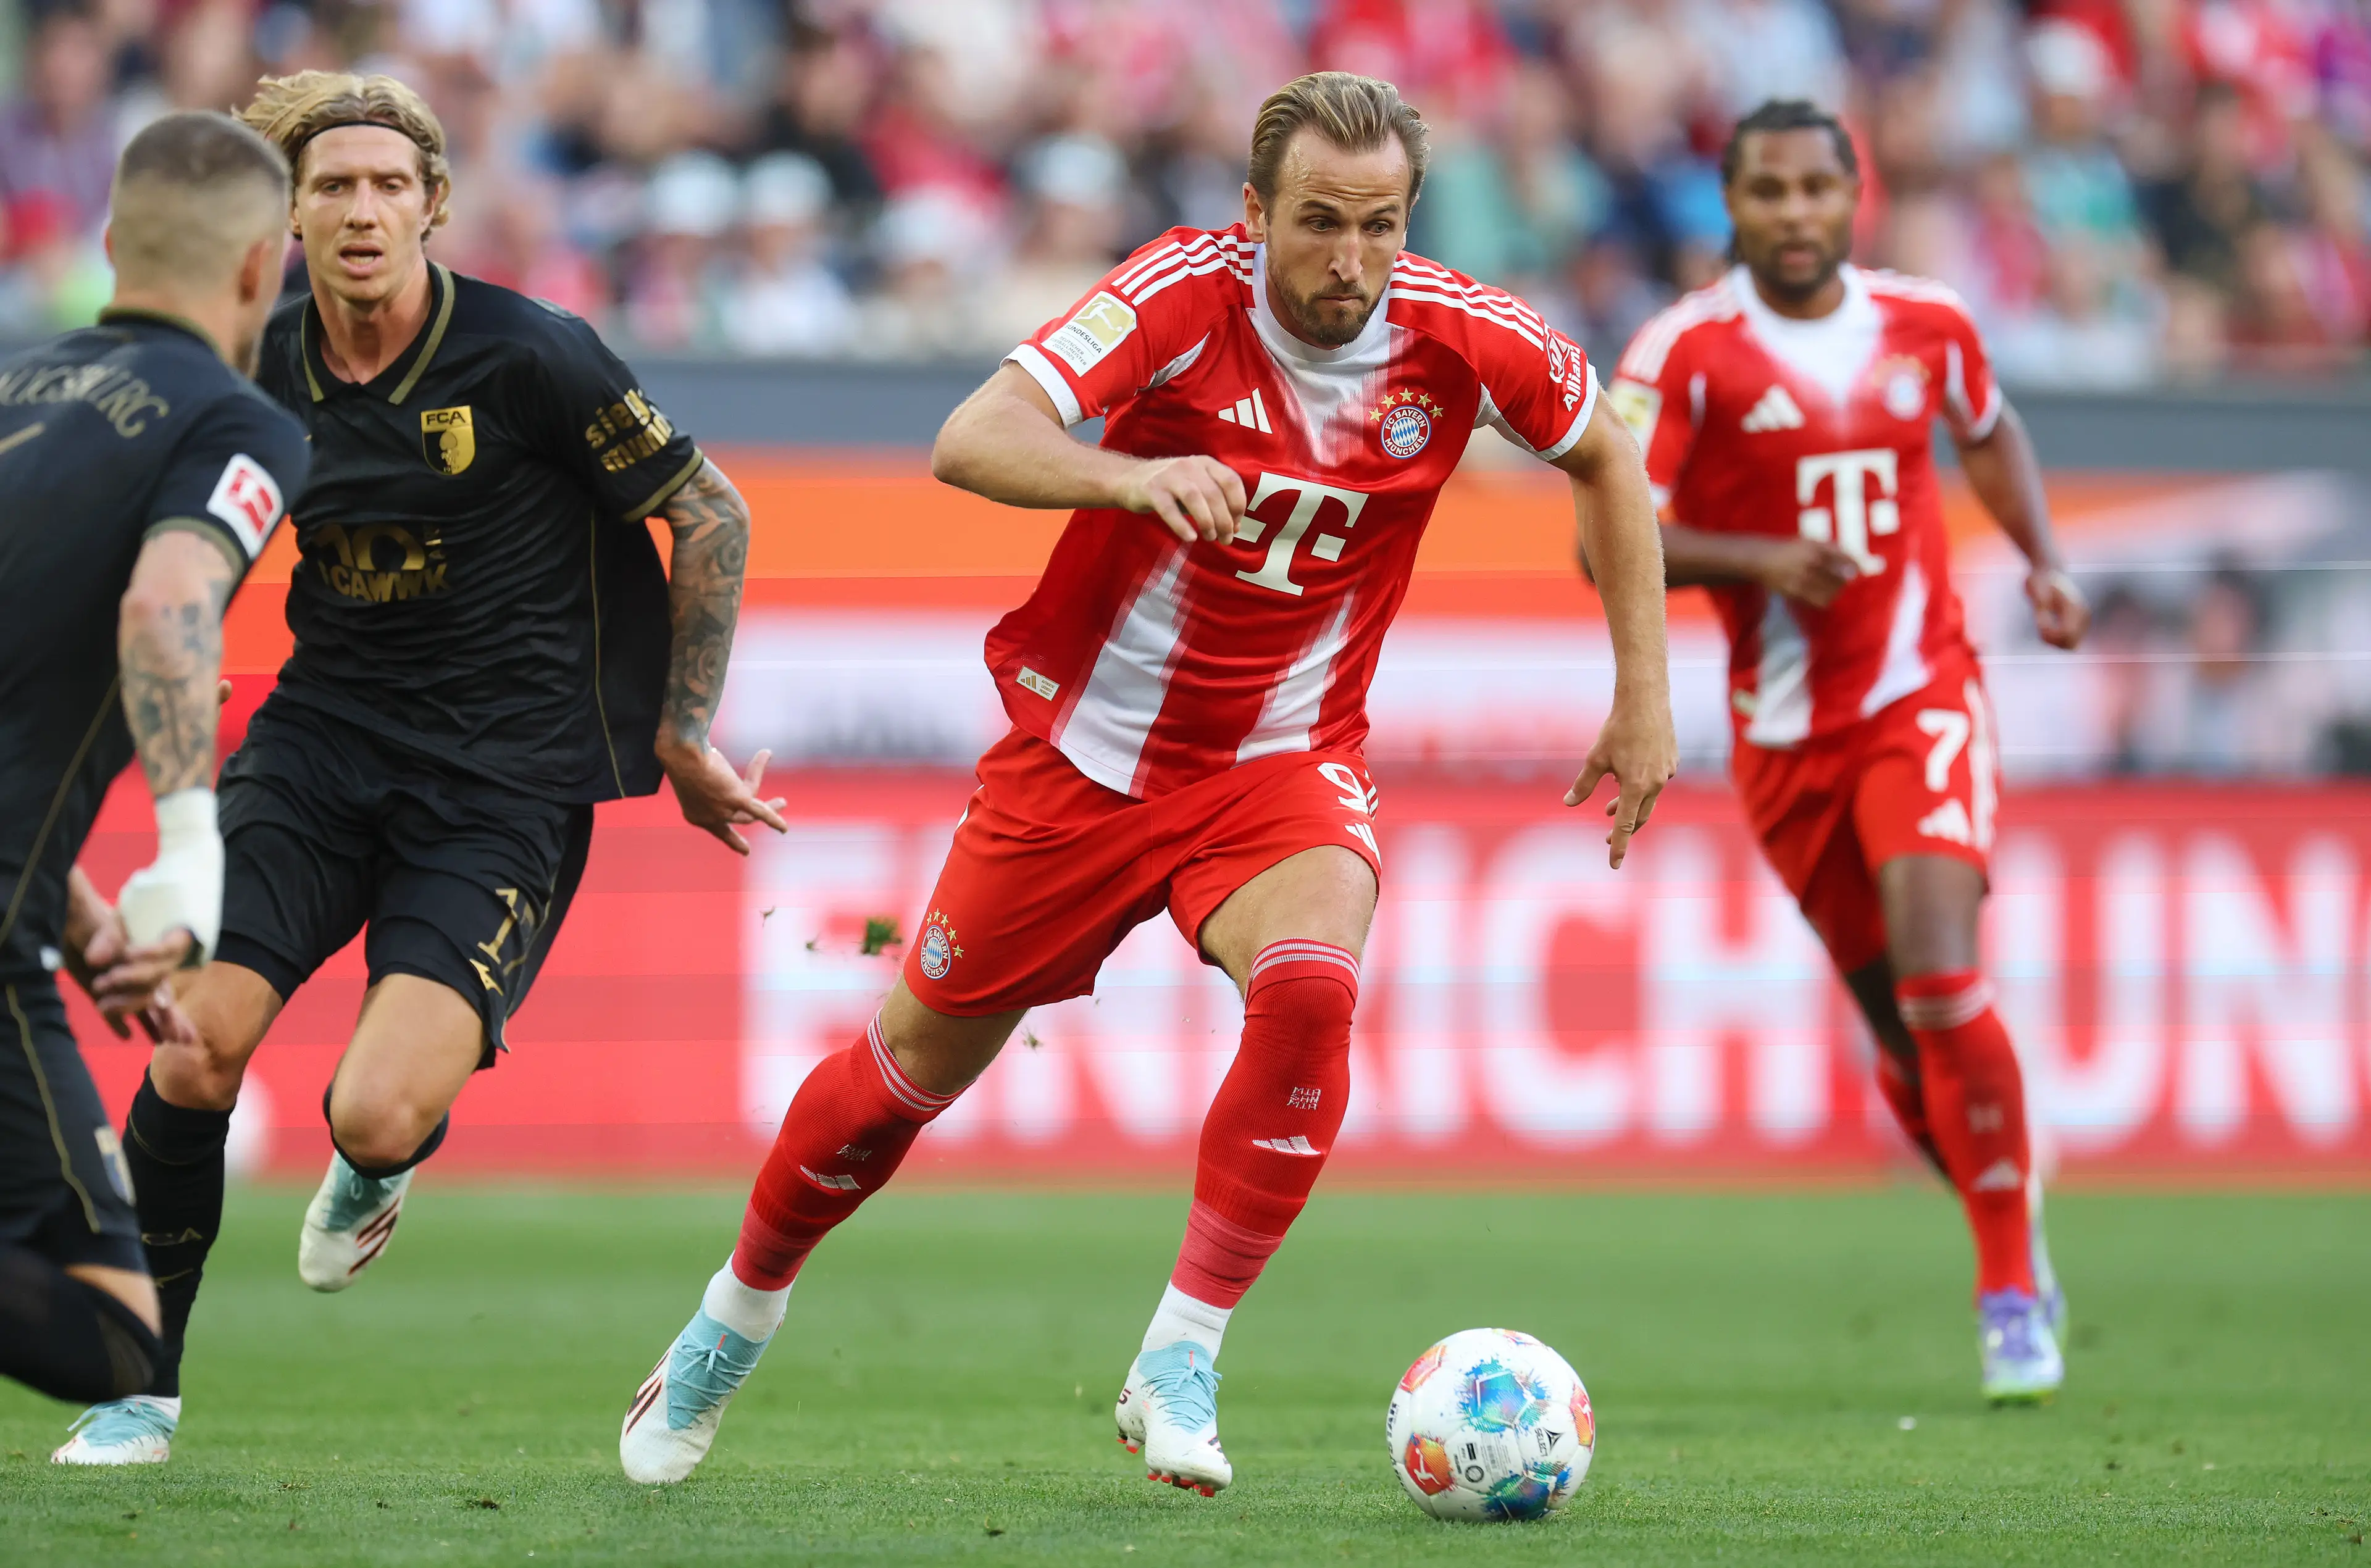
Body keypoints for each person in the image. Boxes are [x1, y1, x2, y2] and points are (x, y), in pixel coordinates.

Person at [622, 70, 1678, 1492]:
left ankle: (1180, 1356)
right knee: (898, 1080)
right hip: (1082, 766)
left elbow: (1608, 454)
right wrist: (1132, 478)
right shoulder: (1180, 296)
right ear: (1253, 215)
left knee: (1313, 986)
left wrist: (1643, 697)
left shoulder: (1468, 335)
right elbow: (970, 436)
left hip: (1285, 764)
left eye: (1378, 225)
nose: (1348, 260)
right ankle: (730, 1318)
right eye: (1316, 223)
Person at [54, 72, 785, 1465]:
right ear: (287, 216)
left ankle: (376, 1166)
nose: (364, 209)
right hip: (321, 745)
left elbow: (709, 507)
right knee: (196, 1046)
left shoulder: (530, 356)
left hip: (504, 784)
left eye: (391, 185)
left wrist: (682, 732)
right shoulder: (250, 360)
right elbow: (144, 525)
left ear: (436, 207)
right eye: (333, 186)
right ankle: (139, 1382)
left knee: (375, 1104)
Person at [1602, 99, 2089, 1404]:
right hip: (1784, 741)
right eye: (1770, 192)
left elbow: (1987, 432)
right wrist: (1755, 558)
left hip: (1920, 695)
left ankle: (2004, 1293)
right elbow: (1608, 538)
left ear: (1854, 190)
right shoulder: (1686, 352)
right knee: (1900, 1028)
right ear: (1734, 206)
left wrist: (2041, 559)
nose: (1798, 214)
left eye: (1820, 188)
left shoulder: (1929, 323)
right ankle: (2014, 1221)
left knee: (1942, 981)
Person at [1, 112, 309, 1411]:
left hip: (23, 901)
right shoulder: (235, 425)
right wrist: (189, 859)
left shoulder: (12, 392)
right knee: (113, 1335)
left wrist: (74, 912)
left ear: (115, 243)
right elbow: (164, 606)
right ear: (262, 270)